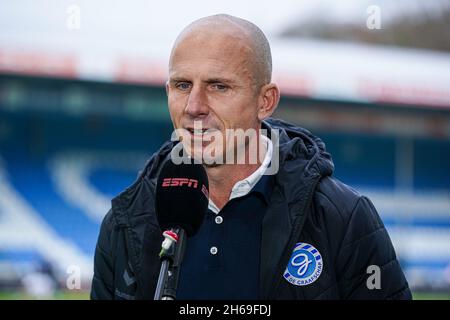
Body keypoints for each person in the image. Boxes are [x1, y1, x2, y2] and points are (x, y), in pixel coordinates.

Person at [91, 14, 412, 300]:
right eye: (182, 84)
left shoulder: (342, 218)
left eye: (218, 86)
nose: (194, 106)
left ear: (266, 101)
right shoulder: (125, 221)